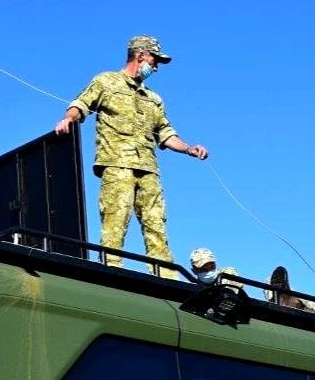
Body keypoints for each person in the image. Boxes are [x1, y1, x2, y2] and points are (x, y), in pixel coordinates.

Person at [55, 35, 208, 279]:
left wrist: (188, 148)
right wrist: (68, 119)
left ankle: (166, 278)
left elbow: (166, 134)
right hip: (117, 165)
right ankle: (110, 272)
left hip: (148, 169)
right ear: (141, 56)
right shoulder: (106, 81)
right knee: (115, 221)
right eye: (154, 60)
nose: (156, 67)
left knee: (156, 224)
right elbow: (80, 105)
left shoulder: (153, 100)